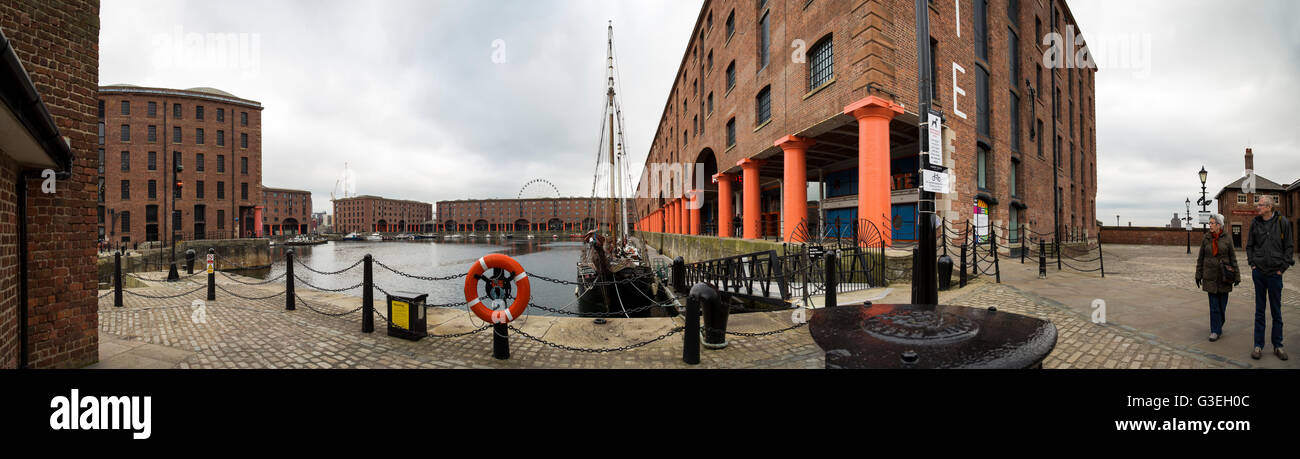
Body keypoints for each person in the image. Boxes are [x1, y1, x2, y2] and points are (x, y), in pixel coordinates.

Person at [1245, 195, 1294, 360]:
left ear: (1268, 207)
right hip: (1259, 273)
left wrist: (1282, 268)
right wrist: (1253, 264)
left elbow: (1289, 247)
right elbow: (1249, 245)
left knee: (1276, 311)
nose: (1257, 207)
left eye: (1260, 205)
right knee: (1259, 311)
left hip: (1275, 274)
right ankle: (1258, 345)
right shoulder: (1255, 223)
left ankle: (1278, 345)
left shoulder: (1283, 223)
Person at [1196, 214, 1239, 342]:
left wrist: (1237, 275)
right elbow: (1201, 258)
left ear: (1219, 225)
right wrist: (1198, 274)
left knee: (1222, 307)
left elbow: (1233, 258)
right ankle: (1215, 330)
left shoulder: (1227, 239)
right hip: (1210, 277)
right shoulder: (1206, 238)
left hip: (1224, 277)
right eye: (1209, 223)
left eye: (1212, 223)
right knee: (1214, 307)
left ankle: (1219, 324)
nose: (1210, 225)